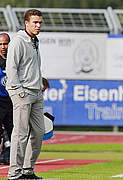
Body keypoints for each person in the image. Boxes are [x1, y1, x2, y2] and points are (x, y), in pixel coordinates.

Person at [6, 9, 49, 180]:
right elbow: (11, 68)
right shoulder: (18, 42)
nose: (38, 25)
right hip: (22, 93)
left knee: (39, 132)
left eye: (40, 22)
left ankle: (27, 170)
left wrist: (39, 86)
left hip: (36, 93)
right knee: (20, 133)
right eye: (35, 22)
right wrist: (19, 91)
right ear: (26, 23)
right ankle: (14, 173)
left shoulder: (34, 41)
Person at [0, 33, 13, 165]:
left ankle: (7, 155)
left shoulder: (13, 60)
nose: (3, 47)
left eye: (6, 43)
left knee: (13, 130)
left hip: (12, 100)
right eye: (1, 44)